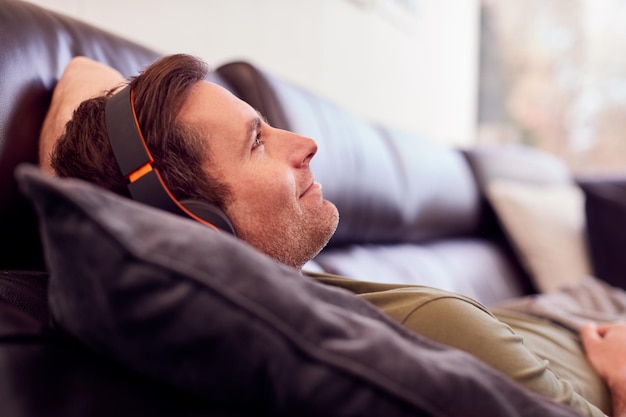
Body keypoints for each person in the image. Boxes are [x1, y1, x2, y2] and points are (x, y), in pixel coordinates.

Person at [48, 53, 626, 417]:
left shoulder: (282, 268)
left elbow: (81, 69)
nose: (304, 144)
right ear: (198, 221)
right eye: (257, 142)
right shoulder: (426, 338)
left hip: (575, 308)